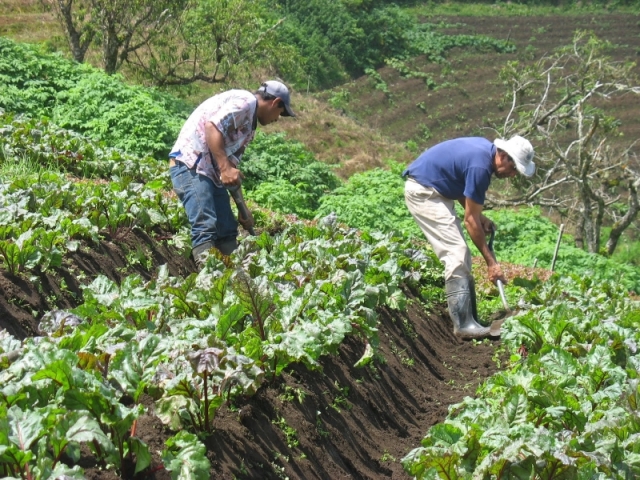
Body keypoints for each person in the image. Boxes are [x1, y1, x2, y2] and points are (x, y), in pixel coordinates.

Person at [403, 135, 535, 339]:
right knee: (457, 251)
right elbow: (470, 221)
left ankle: (470, 318)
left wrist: (480, 217)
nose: (513, 175)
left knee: (461, 253)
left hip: (436, 189)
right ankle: (463, 325)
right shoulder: (480, 167)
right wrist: (491, 263)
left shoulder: (483, 153)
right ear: (503, 156)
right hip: (424, 191)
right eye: (514, 168)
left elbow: (459, 187)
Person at [169, 80, 295, 268]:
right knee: (205, 225)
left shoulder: (249, 130)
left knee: (227, 229)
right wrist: (225, 168)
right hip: (190, 165)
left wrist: (243, 210)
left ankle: (235, 280)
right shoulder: (245, 102)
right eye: (280, 113)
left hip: (210, 172)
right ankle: (209, 281)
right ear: (275, 102)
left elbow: (231, 172)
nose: (278, 119)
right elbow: (212, 126)